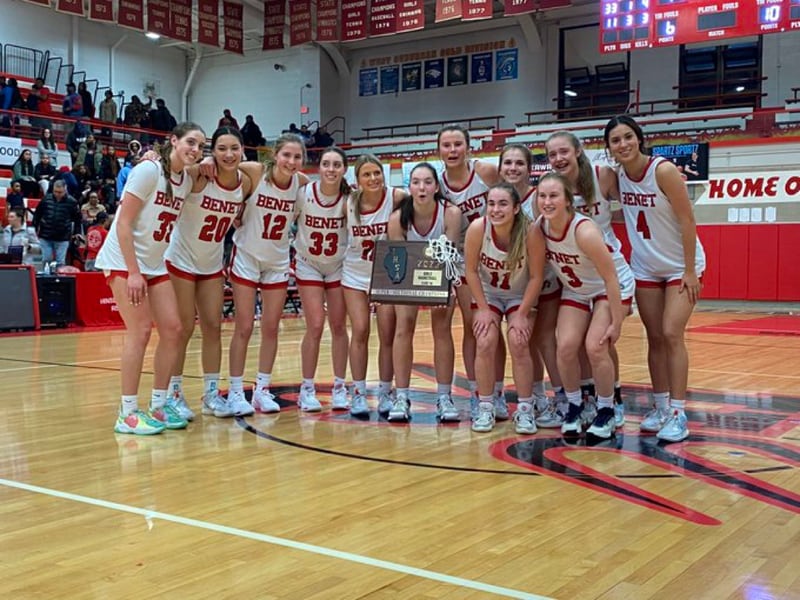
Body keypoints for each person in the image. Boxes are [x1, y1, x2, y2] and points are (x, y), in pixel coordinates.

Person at [94, 121, 207, 435]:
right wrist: (132, 272)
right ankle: (127, 412)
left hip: (155, 264)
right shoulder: (148, 171)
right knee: (141, 330)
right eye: (190, 143)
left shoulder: (183, 179)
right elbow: (123, 223)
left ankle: (158, 404)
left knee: (174, 329)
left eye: (200, 146)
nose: (195, 150)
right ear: (173, 141)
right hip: (123, 260)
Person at [605, 115, 706, 443]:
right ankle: (661, 406)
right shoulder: (619, 176)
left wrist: (690, 270)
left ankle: (678, 412)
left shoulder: (662, 170)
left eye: (628, 137)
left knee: (671, 332)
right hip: (646, 266)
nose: (623, 144)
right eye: (616, 140)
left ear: (639, 138)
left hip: (680, 266)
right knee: (654, 337)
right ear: (609, 148)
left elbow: (687, 219)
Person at [165, 126, 256, 420]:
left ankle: (212, 394)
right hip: (180, 260)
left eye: (234, 148)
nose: (228, 154)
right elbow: (171, 167)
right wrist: (154, 156)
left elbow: (264, 166)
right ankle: (173, 394)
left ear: (243, 150)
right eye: (221, 149)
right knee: (183, 329)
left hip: (211, 264)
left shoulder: (247, 180)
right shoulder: (198, 176)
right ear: (211, 151)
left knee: (213, 328)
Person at [545, 130, 630, 427]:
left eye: (563, 151)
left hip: (608, 273)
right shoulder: (547, 197)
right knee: (568, 345)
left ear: (578, 150)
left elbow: (632, 205)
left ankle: (612, 401)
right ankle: (581, 403)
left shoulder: (602, 175)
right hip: (576, 279)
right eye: (552, 155)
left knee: (598, 344)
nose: (558, 159)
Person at [227, 133, 309, 414]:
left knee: (271, 328)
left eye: (297, 157)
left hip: (277, 261)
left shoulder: (303, 184)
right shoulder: (254, 171)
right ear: (275, 155)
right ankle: (236, 392)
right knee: (244, 327)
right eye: (287, 155)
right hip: (247, 256)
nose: (291, 161)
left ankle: (262, 390)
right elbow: (221, 165)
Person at [464, 182, 544, 433]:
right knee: (485, 339)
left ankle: (525, 409)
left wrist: (521, 314)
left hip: (520, 294)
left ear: (517, 208)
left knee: (519, 342)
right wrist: (484, 309)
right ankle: (486, 406)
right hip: (489, 293)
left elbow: (537, 277)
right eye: (491, 203)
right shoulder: (478, 228)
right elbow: (470, 271)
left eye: (503, 204)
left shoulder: (530, 232)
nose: (496, 209)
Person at [387, 162, 462, 422]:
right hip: (409, 275)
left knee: (442, 329)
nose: (422, 187)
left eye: (427, 182)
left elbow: (449, 257)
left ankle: (444, 396)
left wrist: (444, 289)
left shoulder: (450, 213)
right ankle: (402, 396)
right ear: (409, 187)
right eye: (416, 182)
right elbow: (398, 259)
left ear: (436, 186)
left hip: (440, 274)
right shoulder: (398, 218)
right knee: (403, 327)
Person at [437, 124, 502, 416]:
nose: (452, 150)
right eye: (447, 145)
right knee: (471, 326)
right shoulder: (436, 184)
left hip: (492, 255)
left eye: (457, 144)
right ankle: (478, 391)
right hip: (460, 260)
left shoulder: (486, 173)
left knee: (493, 329)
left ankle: (497, 390)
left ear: (468, 147)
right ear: (439, 150)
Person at [499, 143, 565, 428]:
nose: (513, 168)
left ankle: (564, 397)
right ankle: (538, 396)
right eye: (508, 163)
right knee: (527, 340)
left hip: (545, 278)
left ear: (530, 168)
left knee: (545, 341)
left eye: (519, 163)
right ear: (500, 167)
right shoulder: (498, 198)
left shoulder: (541, 197)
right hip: (515, 284)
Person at [342, 154, 404, 417]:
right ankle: (357, 393)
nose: (373, 178)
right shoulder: (348, 202)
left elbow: (429, 205)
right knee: (360, 330)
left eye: (376, 173)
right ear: (357, 181)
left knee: (387, 334)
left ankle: (385, 392)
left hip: (386, 275)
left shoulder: (397, 197)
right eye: (366, 174)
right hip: (355, 273)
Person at [294, 147, 351, 412]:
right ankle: (307, 388)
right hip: (309, 264)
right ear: (319, 167)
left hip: (339, 265)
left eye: (336, 164)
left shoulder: (350, 200)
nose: (330, 169)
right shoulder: (303, 194)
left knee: (339, 326)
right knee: (315, 324)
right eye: (326, 164)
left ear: (344, 169)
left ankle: (340, 387)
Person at [31, 179, 82, 266]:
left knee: (60, 262)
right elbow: (37, 215)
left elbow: (77, 219)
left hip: (63, 236)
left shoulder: (72, 202)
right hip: (46, 235)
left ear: (65, 190)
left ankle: (60, 279)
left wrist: (77, 232)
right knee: (46, 260)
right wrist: (34, 228)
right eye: (55, 191)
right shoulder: (46, 199)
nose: (57, 194)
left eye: (60, 192)